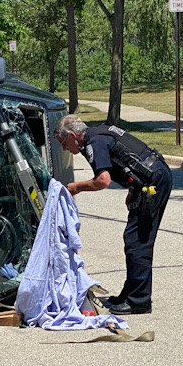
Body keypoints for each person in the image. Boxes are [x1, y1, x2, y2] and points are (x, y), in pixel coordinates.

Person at [53, 115, 172, 315]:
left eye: (64, 143)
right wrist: (133, 189)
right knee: (134, 239)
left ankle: (139, 301)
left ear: (73, 136)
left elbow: (103, 180)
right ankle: (130, 293)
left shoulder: (93, 143)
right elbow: (129, 159)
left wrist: (76, 187)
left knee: (138, 241)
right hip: (150, 178)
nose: (65, 148)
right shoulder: (99, 133)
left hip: (153, 182)